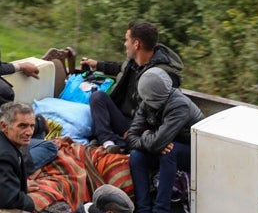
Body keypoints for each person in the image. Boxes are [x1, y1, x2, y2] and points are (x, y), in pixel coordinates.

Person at [79, 21, 184, 153]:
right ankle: (108, 142)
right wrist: (97, 64)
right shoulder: (133, 62)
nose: (125, 44)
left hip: (143, 127)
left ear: (136, 44)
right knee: (97, 97)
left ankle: (119, 143)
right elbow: (120, 68)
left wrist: (143, 132)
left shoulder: (163, 75)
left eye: (127, 40)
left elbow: (170, 109)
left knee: (138, 142)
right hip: (122, 119)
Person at [126, 69, 204, 213]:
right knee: (136, 156)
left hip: (196, 153)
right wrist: (150, 139)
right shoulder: (147, 103)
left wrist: (148, 136)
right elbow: (132, 137)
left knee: (170, 150)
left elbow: (157, 144)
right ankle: (143, 212)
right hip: (167, 146)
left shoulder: (179, 105)